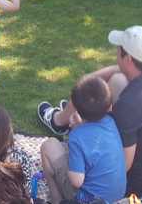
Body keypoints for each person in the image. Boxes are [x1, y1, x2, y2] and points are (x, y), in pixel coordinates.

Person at [37, 26, 142, 203]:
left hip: (135, 187)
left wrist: (82, 132)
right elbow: (118, 72)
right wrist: (87, 81)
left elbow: (122, 165)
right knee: (118, 79)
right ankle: (61, 120)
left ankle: (57, 200)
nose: (115, 52)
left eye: (118, 50)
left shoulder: (130, 105)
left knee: (50, 148)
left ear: (128, 58)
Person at [40, 75, 126, 204]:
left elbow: (76, 181)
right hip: (117, 195)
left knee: (48, 146)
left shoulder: (77, 136)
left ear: (76, 110)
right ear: (109, 107)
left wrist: (76, 132)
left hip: (88, 200)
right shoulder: (111, 122)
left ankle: (57, 200)